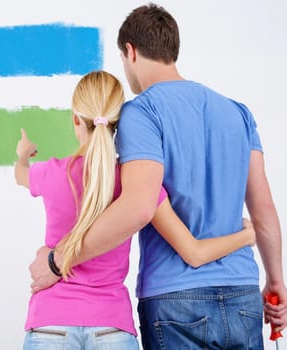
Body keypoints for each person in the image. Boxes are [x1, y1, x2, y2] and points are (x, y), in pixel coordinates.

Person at [16, 70, 256, 350]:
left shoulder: (52, 172)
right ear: (118, 124)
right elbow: (194, 252)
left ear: (76, 119)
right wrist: (247, 236)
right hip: (112, 329)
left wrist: (23, 154)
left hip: (50, 324)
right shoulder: (138, 186)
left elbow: (21, 174)